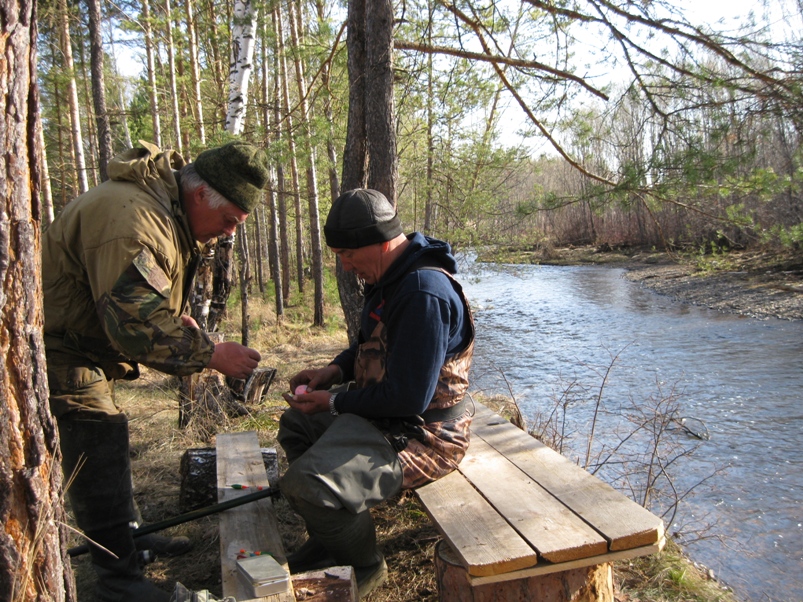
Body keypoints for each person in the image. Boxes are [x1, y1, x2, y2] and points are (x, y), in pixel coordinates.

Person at [42, 140, 268, 602]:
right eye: (228, 222)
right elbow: (135, 324)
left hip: (85, 345)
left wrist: (179, 325)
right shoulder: (136, 219)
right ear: (202, 194)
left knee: (111, 435)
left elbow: (143, 300)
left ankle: (131, 539)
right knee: (97, 436)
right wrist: (211, 354)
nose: (226, 234)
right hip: (58, 349)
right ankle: (118, 582)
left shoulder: (162, 209)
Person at [278, 188, 475, 598]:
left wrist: (333, 400)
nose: (345, 265)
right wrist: (333, 370)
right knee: (297, 423)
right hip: (388, 418)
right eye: (339, 255)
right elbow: (372, 344)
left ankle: (366, 564)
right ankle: (332, 532)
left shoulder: (423, 293)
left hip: (429, 435)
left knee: (307, 485)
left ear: (383, 242)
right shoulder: (390, 278)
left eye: (349, 255)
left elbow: (407, 398)